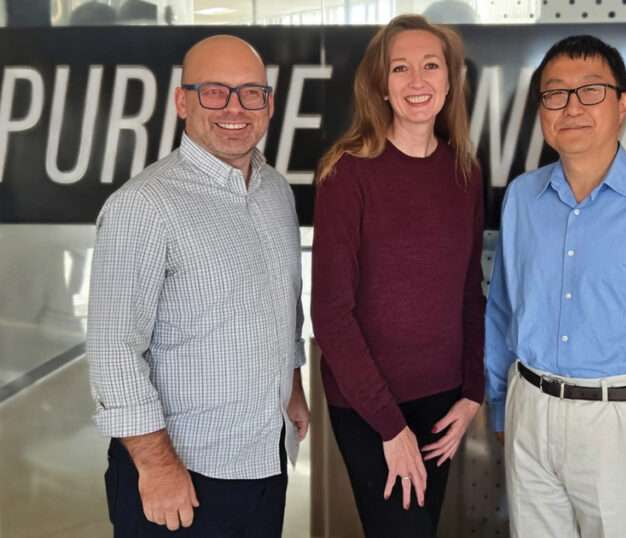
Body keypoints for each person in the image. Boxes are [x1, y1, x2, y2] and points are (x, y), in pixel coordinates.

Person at [485, 35, 626, 538]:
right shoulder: (524, 197)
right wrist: (504, 404)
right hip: (531, 407)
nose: (572, 107)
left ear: (622, 103)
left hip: (620, 425)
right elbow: (503, 309)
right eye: (556, 94)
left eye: (590, 90)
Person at [87, 35, 309, 537]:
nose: (234, 108)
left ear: (269, 104)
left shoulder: (275, 191)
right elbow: (113, 351)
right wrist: (158, 465)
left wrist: (292, 384)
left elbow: (283, 305)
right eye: (214, 91)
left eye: (251, 92)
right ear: (182, 100)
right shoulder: (143, 206)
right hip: (181, 474)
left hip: (263, 460)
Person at [311, 14, 484, 538]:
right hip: (369, 405)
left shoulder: (465, 172)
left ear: (450, 80)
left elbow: (468, 295)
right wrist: (390, 426)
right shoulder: (347, 172)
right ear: (380, 86)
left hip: (443, 400)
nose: (417, 81)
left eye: (430, 66)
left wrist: (472, 392)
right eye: (400, 68)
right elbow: (331, 314)